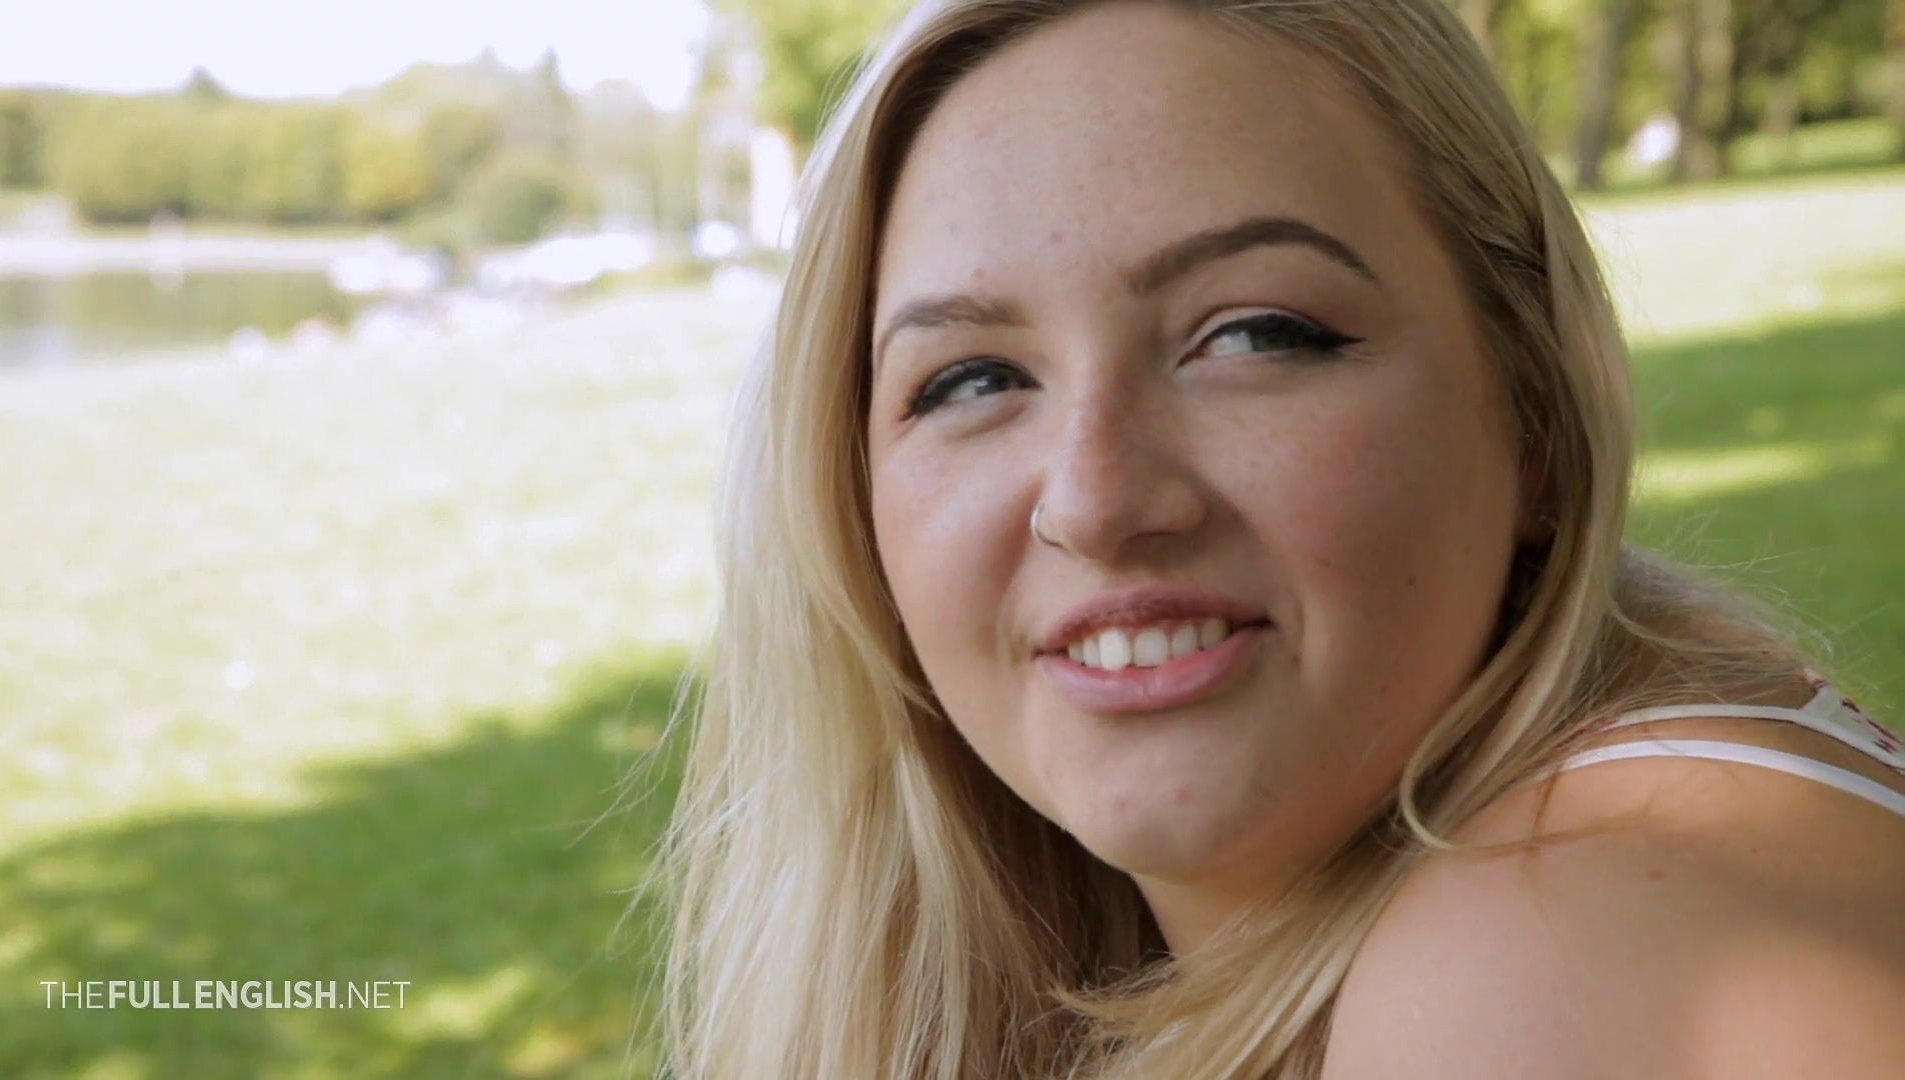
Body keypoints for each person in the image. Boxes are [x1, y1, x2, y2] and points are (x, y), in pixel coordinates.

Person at [648, 1, 1905, 1076]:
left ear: (1534, 412)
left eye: (1255, 335)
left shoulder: (1552, 955)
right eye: (972, 379)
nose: (1093, 499)